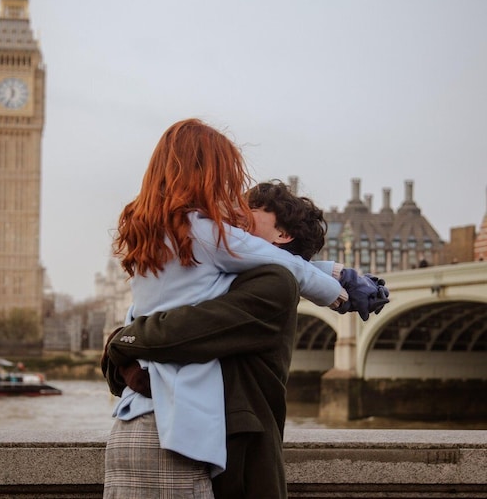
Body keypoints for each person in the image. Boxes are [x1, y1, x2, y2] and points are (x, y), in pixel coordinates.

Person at [102, 120, 386, 498]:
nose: (238, 206)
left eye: (254, 208)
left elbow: (270, 263)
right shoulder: (209, 237)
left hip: (129, 431)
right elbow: (275, 263)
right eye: (229, 181)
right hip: (173, 434)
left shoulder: (161, 236)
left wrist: (124, 343)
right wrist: (339, 290)